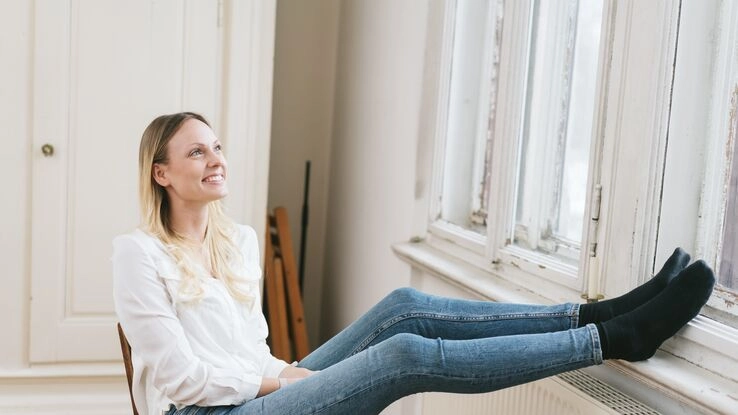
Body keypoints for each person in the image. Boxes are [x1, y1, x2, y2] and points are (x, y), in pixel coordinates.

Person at [113, 112, 716, 415]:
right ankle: (614, 338)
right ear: (161, 174)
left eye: (217, 146)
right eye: (196, 152)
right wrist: (283, 381)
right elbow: (182, 380)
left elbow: (253, 349)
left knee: (403, 308)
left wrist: (286, 377)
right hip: (211, 414)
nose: (215, 159)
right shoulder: (138, 254)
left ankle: (599, 313)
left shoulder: (237, 241)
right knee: (405, 355)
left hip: (266, 390)